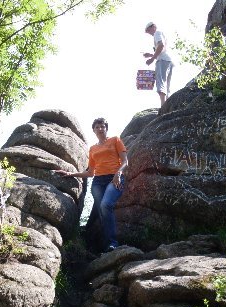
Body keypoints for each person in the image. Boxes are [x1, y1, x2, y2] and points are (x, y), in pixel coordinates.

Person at [55, 117, 128, 252]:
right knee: (101, 211)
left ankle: (113, 243)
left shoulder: (115, 140)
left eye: (102, 126)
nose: (100, 129)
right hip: (98, 182)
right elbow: (90, 172)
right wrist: (70, 174)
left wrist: (118, 173)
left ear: (106, 128)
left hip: (114, 178)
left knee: (106, 205)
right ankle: (102, 245)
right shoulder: (93, 148)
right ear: (93, 130)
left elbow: (125, 161)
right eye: (97, 127)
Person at [143, 21, 174, 106]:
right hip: (168, 61)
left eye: (148, 30)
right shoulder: (161, 34)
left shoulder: (157, 33)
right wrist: (151, 55)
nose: (148, 33)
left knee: (161, 83)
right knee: (167, 85)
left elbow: (161, 45)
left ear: (153, 27)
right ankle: (167, 106)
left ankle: (163, 106)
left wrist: (152, 59)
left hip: (162, 61)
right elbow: (161, 50)